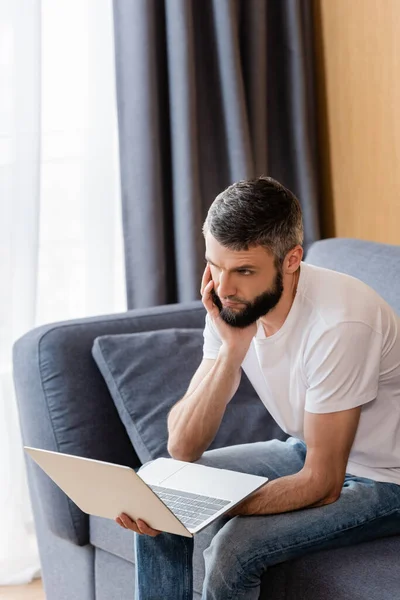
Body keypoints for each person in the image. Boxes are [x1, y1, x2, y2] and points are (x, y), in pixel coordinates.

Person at [116, 176, 400, 600]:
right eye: (215, 265)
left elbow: (323, 483)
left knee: (233, 550)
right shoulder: (233, 300)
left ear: (291, 260)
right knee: (161, 492)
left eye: (244, 270)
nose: (224, 287)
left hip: (386, 479)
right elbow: (182, 447)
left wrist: (211, 506)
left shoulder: (340, 322)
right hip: (306, 448)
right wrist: (231, 350)